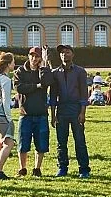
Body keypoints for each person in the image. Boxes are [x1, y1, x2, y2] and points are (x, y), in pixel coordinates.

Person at [49, 44, 91, 179]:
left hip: (76, 109)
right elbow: (53, 95)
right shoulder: (56, 73)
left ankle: (84, 169)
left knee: (79, 141)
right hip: (62, 110)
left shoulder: (80, 72)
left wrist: (82, 112)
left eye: (67, 52)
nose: (64, 55)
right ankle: (62, 167)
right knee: (61, 141)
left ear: (72, 54)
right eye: (62, 53)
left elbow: (84, 93)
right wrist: (53, 115)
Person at [14, 47, 51, 177]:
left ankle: (37, 168)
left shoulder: (43, 70)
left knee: (41, 143)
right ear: (28, 56)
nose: (34, 59)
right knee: (22, 143)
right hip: (25, 113)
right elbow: (19, 87)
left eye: (37, 56)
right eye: (32, 56)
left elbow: (47, 82)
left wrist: (43, 67)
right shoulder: (21, 71)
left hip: (41, 112)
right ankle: (22, 168)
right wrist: (36, 86)